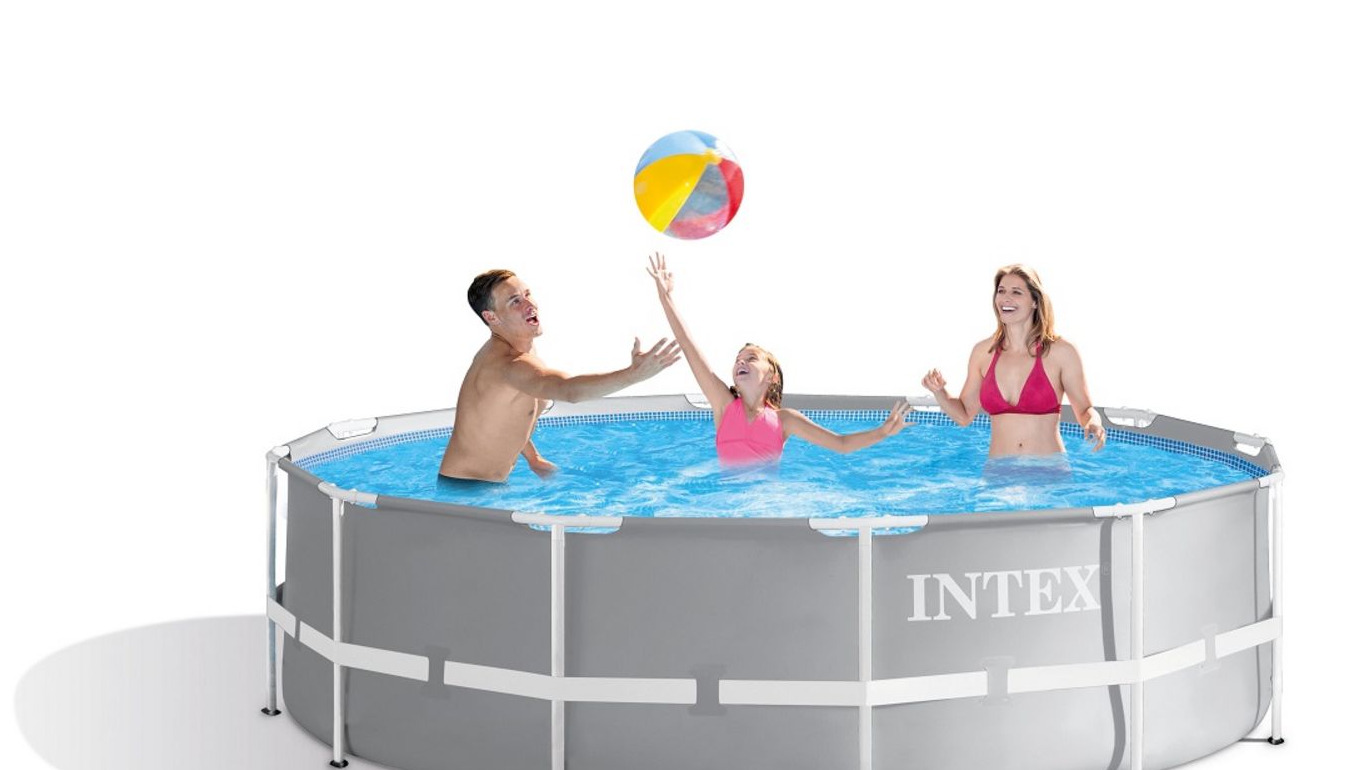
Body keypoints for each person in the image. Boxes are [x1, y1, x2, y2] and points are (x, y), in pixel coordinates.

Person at [647, 253, 910, 466]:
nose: (741, 362)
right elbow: (689, 346)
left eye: (751, 358)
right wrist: (665, 297)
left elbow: (840, 444)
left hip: (764, 504)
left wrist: (881, 432)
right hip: (727, 502)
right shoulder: (724, 406)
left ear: (771, 377)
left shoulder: (785, 420)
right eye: (738, 359)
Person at [438, 268, 683, 482]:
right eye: (515, 301)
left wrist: (533, 458)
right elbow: (569, 390)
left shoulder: (521, 348)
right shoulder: (508, 364)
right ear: (491, 317)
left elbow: (503, 417)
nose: (529, 305)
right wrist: (633, 375)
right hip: (465, 491)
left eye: (527, 294)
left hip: (480, 486)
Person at [920, 263, 1106, 457]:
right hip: (997, 470)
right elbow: (964, 415)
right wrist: (939, 391)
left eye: (1016, 292)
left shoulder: (1061, 352)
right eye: (1001, 291)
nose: (1005, 298)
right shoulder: (983, 353)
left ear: (1035, 301)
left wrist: (1093, 422)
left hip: (1047, 469)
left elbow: (1085, 410)